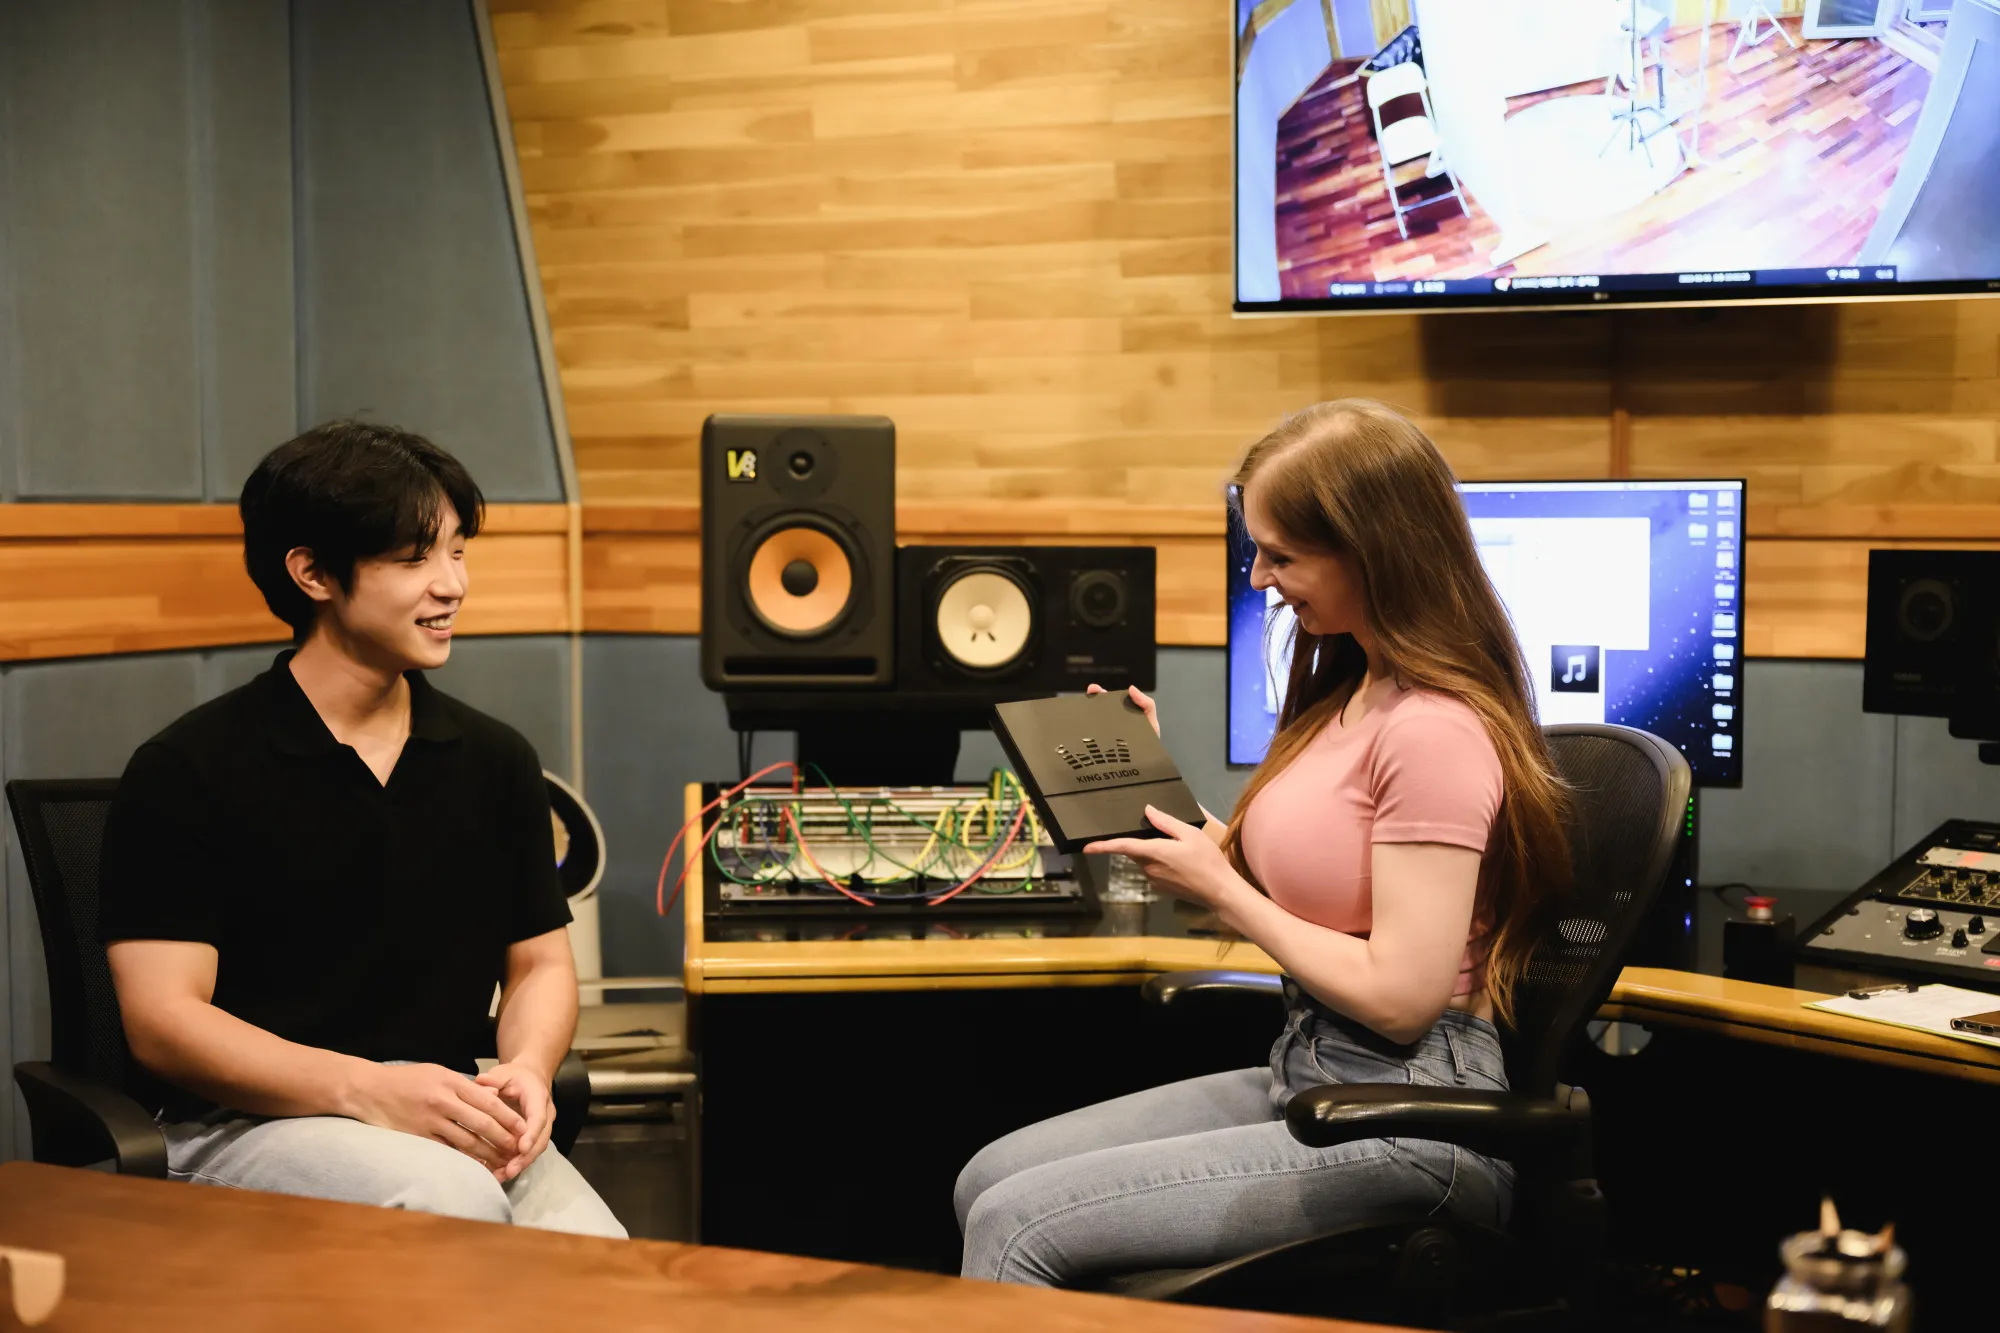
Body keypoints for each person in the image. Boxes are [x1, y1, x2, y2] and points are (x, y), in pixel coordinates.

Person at [955, 399, 1570, 1284]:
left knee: (1015, 1226)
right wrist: (1150, 793)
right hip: (1313, 1072)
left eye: (1281, 555)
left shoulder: (1434, 729)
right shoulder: (1352, 694)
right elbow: (1280, 880)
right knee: (986, 1179)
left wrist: (1224, 890)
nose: (1259, 578)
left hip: (1419, 1119)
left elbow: (1402, 997)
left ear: (1371, 549)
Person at [99, 420, 624, 1237]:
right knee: (450, 1202)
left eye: (457, 551)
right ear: (312, 572)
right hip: (239, 1124)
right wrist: (369, 1089)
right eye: (415, 559)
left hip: (440, 1110)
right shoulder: (188, 767)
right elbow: (163, 1021)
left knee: (602, 1263)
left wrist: (527, 1066)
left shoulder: (495, 759)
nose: (452, 584)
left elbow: (540, 964)